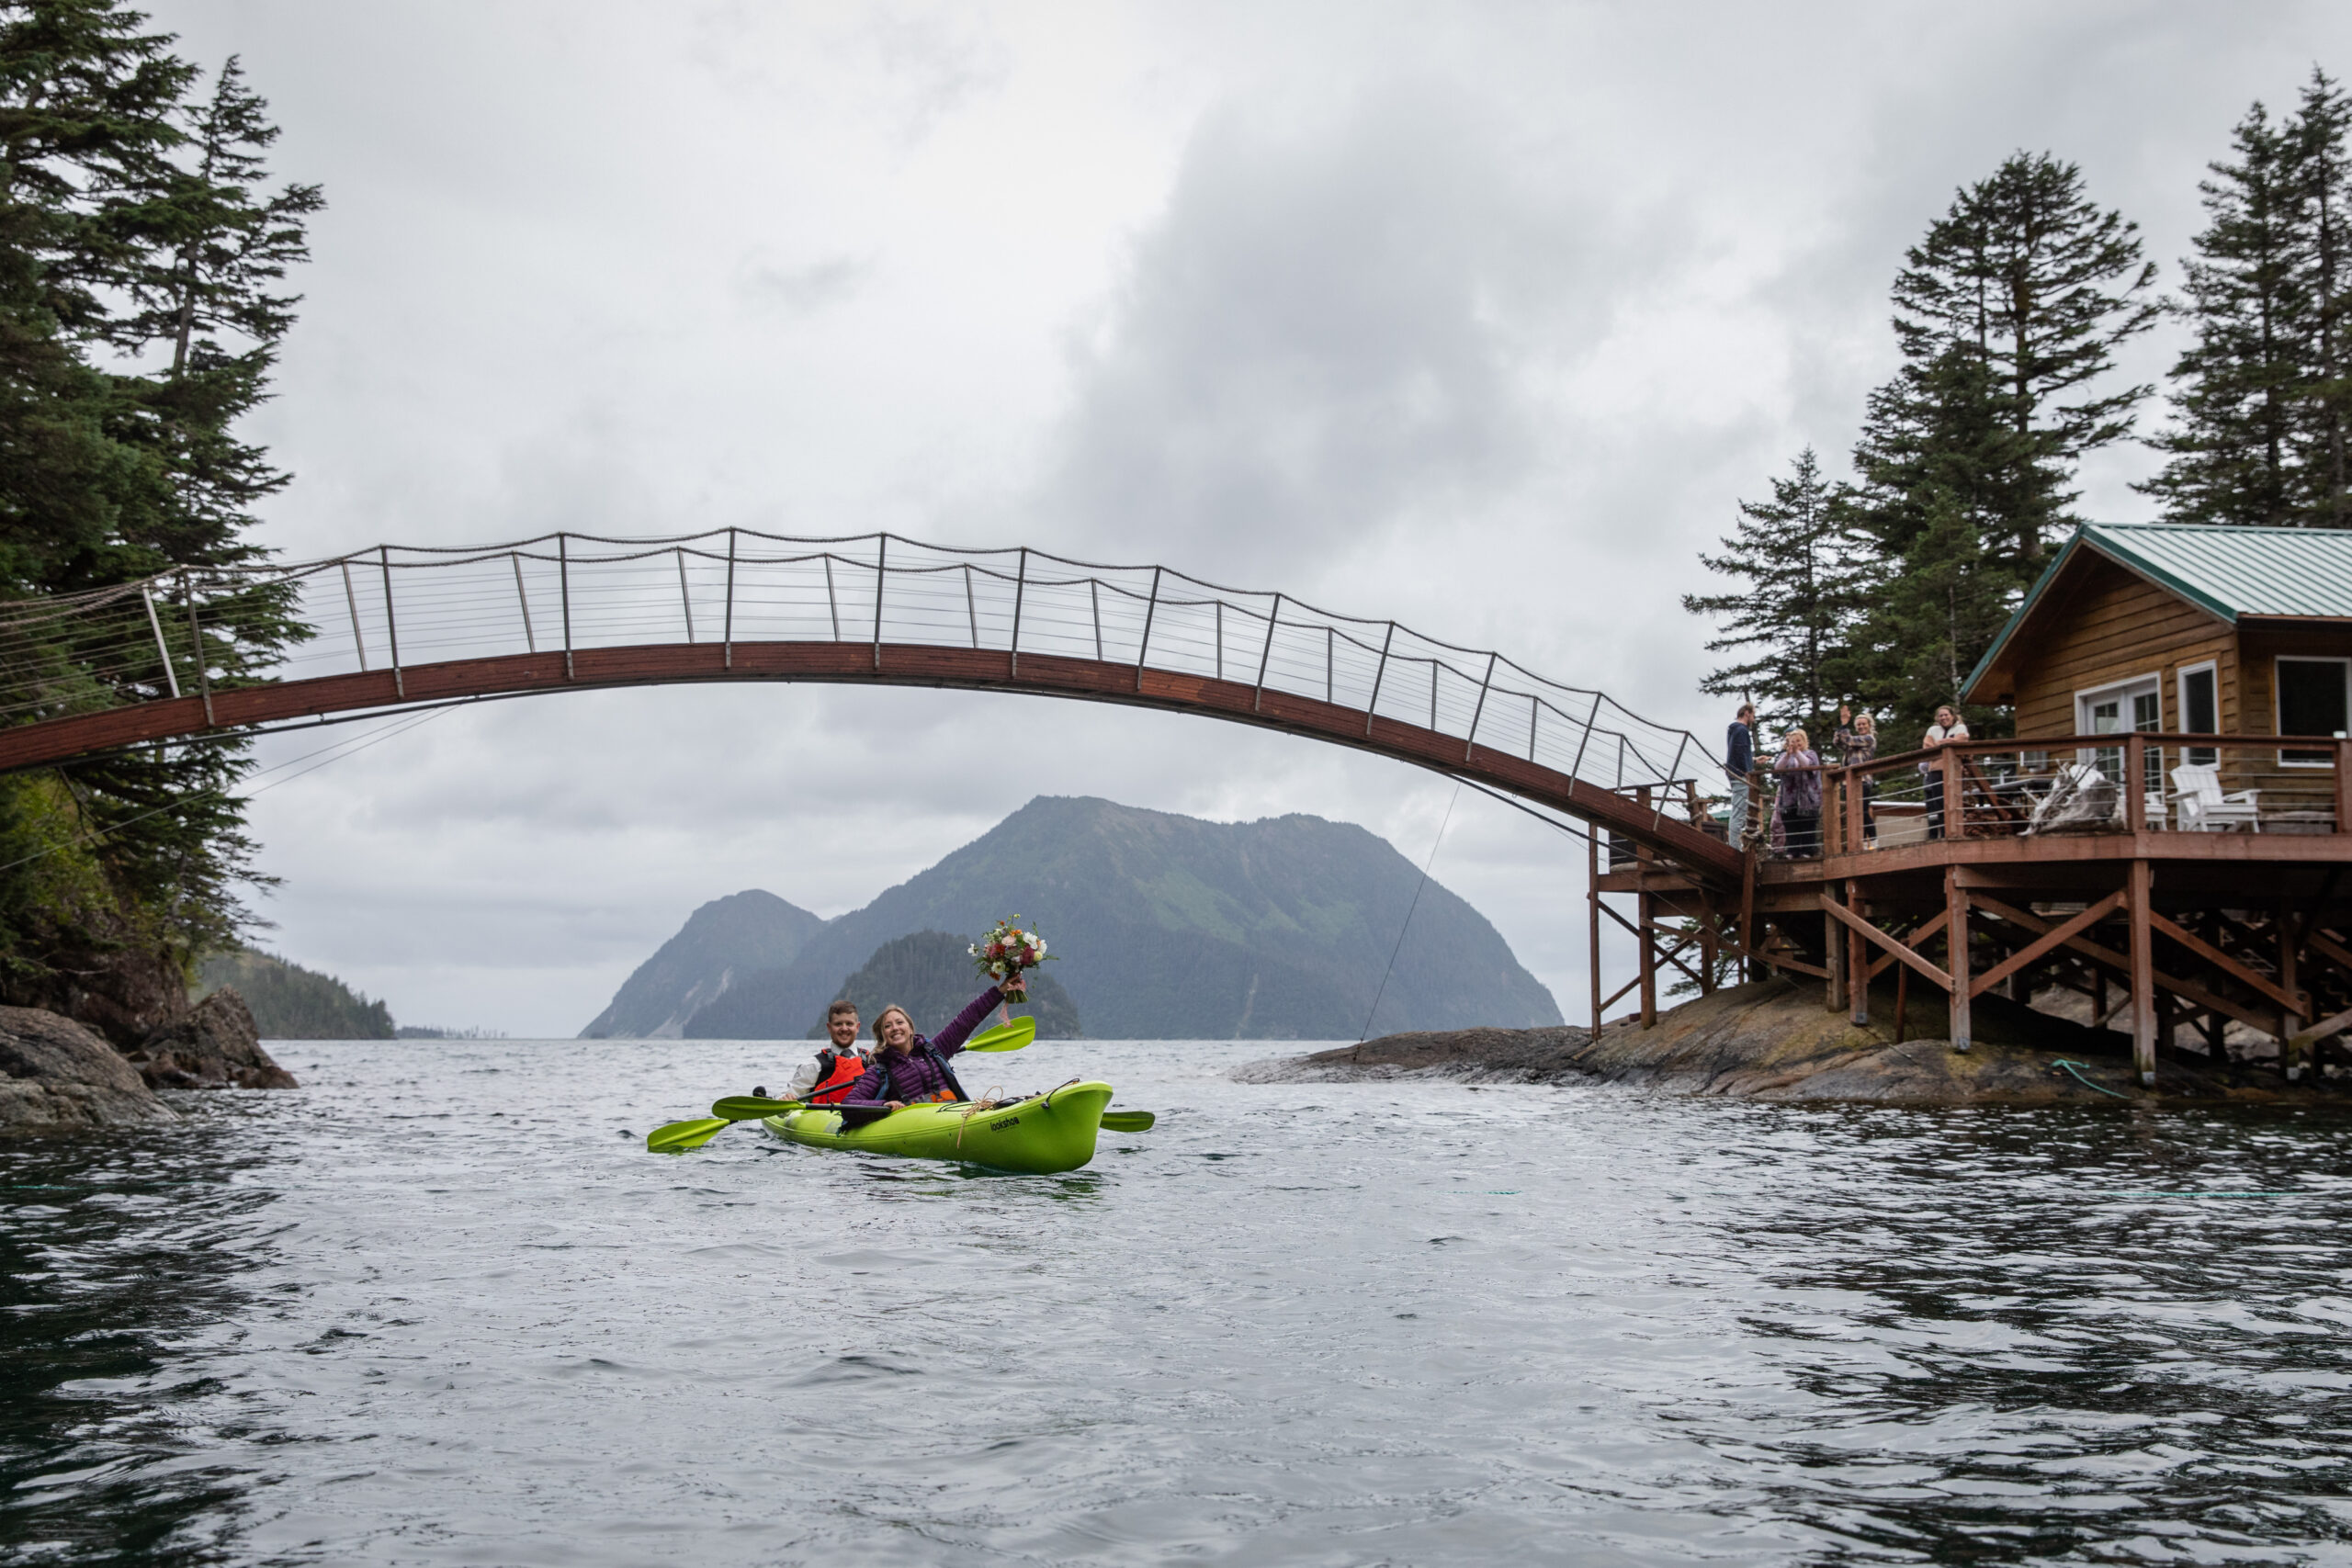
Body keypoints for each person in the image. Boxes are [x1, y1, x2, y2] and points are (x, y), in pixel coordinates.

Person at [831, 982, 1013, 1127]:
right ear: (883, 1037)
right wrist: (883, 1105)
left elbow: (967, 1019)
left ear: (910, 1028)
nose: (895, 1028)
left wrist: (1001, 990)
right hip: (921, 1127)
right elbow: (849, 1105)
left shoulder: (934, 1050)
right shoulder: (880, 1070)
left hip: (956, 1115)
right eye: (888, 1026)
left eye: (899, 1022)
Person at [769, 999, 868, 1106]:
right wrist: (784, 1100)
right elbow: (789, 1095)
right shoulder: (814, 1066)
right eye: (838, 1024)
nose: (844, 1028)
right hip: (823, 1120)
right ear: (829, 1028)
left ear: (857, 1027)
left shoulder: (872, 1062)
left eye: (849, 1024)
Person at [1772, 728, 1823, 858]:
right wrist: (1789, 754)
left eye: (1798, 741)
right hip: (1789, 797)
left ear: (1804, 741)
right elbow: (1777, 769)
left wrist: (1797, 752)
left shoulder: (1811, 754)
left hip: (1808, 797)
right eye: (1793, 741)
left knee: (1807, 825)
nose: (1796, 744)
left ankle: (1807, 851)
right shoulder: (1785, 756)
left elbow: (1808, 765)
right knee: (1791, 825)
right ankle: (1792, 851)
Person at [1922, 705, 1970, 840]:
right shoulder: (1932, 729)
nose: (1943, 718)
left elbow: (1961, 741)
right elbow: (1927, 746)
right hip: (1936, 770)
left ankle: (1956, 832)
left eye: (1946, 715)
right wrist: (1948, 743)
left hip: (1954, 770)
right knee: (1939, 803)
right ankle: (1943, 834)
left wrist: (1941, 743)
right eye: (1941, 716)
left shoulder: (1961, 728)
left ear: (1952, 716)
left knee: (1954, 801)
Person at [1837, 711, 1880, 841]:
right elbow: (1838, 742)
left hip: (1863, 780)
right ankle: (1860, 842)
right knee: (1853, 814)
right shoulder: (1853, 743)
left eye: (1863, 724)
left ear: (1869, 725)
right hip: (1848, 781)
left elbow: (1848, 740)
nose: (1861, 726)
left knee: (1863, 811)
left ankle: (1873, 840)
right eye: (1858, 724)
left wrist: (1844, 728)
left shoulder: (1868, 739)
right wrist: (1842, 725)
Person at [1724, 703, 1758, 847]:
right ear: (1747, 713)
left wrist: (1754, 760)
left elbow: (1739, 752)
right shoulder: (1741, 730)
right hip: (1740, 776)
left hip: (1734, 773)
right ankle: (1735, 848)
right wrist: (1747, 771)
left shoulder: (1733, 730)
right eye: (1753, 715)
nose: (1754, 719)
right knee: (1739, 814)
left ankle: (1736, 845)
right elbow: (1739, 752)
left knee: (1738, 812)